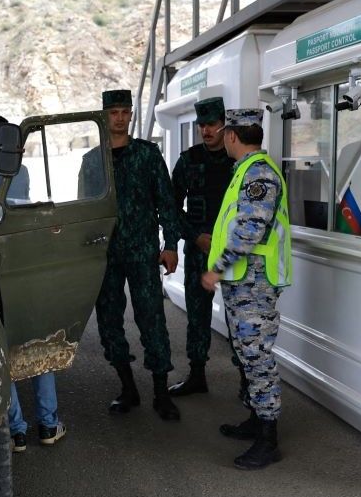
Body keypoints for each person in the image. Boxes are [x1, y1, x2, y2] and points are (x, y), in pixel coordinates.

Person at [79, 89, 185, 421]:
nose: (121, 118)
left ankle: (160, 392)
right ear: (103, 116)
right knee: (109, 322)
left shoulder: (148, 155)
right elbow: (84, 211)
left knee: (152, 319)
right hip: (105, 255)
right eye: (114, 113)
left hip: (143, 253)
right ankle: (128, 388)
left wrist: (170, 245)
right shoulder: (91, 161)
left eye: (126, 112)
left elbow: (167, 203)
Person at [201, 108, 291, 470]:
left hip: (254, 282)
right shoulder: (247, 171)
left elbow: (250, 230)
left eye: (224, 132)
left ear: (232, 136)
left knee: (257, 356)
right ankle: (256, 420)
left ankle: (268, 440)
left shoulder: (258, 175)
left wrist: (216, 270)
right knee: (246, 353)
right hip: (244, 282)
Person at [0, 113, 62, 450]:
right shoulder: (19, 171)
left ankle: (17, 429)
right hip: (21, 263)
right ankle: (49, 425)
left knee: (1, 346)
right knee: (36, 340)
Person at [165, 97, 239, 397]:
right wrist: (195, 236)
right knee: (197, 314)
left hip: (235, 251)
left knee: (239, 315)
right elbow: (170, 206)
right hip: (199, 248)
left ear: (224, 125)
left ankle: (248, 379)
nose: (206, 131)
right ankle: (197, 375)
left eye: (211, 124)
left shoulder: (239, 161)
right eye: (202, 125)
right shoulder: (188, 160)